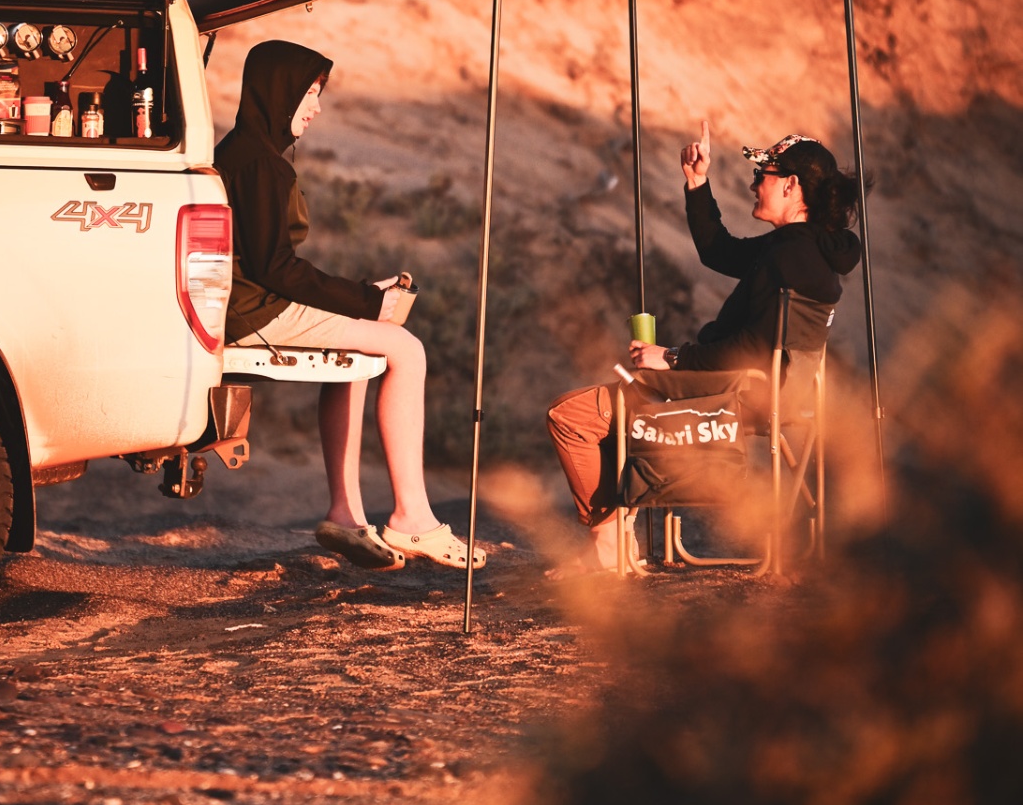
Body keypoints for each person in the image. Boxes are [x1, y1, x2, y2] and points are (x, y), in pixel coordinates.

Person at [215, 39, 483, 573]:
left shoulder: (240, 152)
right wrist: (366, 300)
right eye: (309, 93)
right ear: (279, 91)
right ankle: (412, 518)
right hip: (254, 310)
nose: (316, 107)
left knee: (360, 351)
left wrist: (362, 299)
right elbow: (275, 269)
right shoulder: (261, 164)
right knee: (407, 350)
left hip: (243, 303)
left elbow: (270, 265)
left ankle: (346, 513)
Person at [546, 123, 862, 571]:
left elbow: (754, 347)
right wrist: (697, 183)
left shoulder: (791, 257)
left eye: (763, 175)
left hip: (734, 392)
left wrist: (672, 359)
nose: (754, 184)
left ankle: (608, 544)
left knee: (571, 416)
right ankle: (616, 537)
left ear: (791, 186)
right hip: (774, 392)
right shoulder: (807, 251)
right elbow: (719, 253)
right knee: (605, 409)